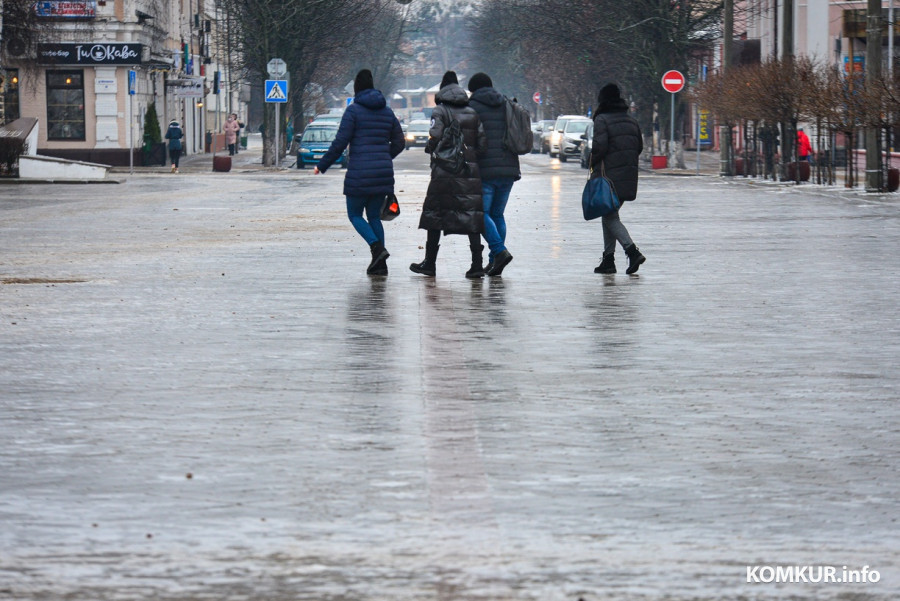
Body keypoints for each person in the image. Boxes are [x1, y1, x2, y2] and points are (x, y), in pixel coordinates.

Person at [314, 69, 405, 276]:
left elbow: (340, 142)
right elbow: (399, 141)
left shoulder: (353, 111)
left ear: (356, 88)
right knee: (374, 216)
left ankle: (377, 248)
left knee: (354, 214)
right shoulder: (387, 111)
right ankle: (380, 265)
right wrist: (384, 157)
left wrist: (323, 164)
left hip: (359, 173)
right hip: (382, 173)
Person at [410, 71, 487, 278]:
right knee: (471, 216)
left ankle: (430, 263)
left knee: (435, 214)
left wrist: (432, 151)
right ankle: (477, 264)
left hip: (444, 172)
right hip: (469, 173)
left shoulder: (440, 111)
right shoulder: (472, 112)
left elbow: (434, 136)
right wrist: (469, 157)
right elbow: (482, 145)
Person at [467, 72, 519, 276]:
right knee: (497, 214)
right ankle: (494, 260)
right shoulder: (506, 103)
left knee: (482, 214)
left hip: (485, 169)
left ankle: (499, 251)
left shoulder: (472, 108)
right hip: (509, 168)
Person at [591, 83, 645, 275]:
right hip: (628, 177)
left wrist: (592, 163)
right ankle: (608, 260)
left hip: (608, 178)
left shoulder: (602, 119)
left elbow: (599, 148)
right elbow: (639, 147)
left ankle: (632, 251)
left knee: (610, 216)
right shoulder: (631, 121)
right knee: (609, 215)